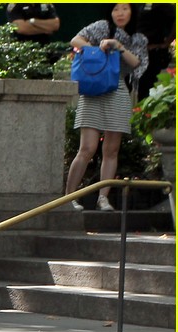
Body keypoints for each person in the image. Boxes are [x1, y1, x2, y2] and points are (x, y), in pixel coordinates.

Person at [64, 4, 149, 212]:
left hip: (118, 88)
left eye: (124, 9)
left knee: (111, 150)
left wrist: (117, 46)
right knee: (87, 148)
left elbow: (136, 62)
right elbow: (75, 40)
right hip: (93, 87)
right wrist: (96, 49)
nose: (119, 14)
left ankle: (103, 198)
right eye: (115, 9)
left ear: (132, 12)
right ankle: (68, 198)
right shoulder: (102, 26)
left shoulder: (138, 38)